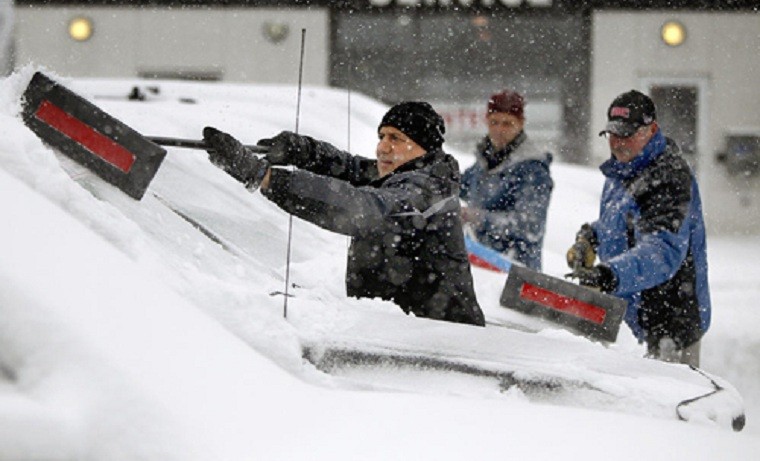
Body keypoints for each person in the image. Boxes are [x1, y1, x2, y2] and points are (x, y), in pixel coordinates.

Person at [202, 101, 486, 327]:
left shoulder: (423, 191)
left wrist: (265, 177)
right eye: (382, 136)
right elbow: (348, 168)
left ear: (423, 148)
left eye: (396, 138)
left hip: (445, 346)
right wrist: (301, 151)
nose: (383, 147)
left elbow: (364, 208)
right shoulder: (401, 174)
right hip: (401, 332)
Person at [566, 90, 710, 366]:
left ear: (651, 129)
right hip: (633, 318)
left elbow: (661, 251)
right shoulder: (623, 169)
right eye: (613, 134)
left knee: (662, 405)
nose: (618, 143)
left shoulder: (669, 177)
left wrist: (608, 275)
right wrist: (590, 238)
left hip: (670, 324)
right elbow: (620, 221)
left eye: (627, 134)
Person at [459, 89, 553, 270]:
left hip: (515, 274)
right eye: (494, 122)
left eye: (507, 123)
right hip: (479, 268)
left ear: (521, 123)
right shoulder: (484, 161)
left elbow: (529, 225)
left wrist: (478, 218)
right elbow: (460, 186)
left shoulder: (533, 169)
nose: (499, 130)